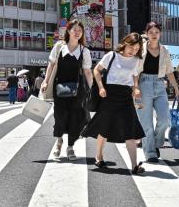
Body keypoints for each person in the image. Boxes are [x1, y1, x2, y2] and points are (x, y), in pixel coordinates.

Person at [83, 33, 146, 174]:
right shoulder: (111, 55)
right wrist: (100, 87)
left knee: (130, 131)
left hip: (125, 96)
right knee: (104, 129)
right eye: (132, 47)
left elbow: (135, 74)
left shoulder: (136, 60)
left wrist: (135, 87)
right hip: (109, 94)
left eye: (137, 49)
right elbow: (97, 71)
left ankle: (134, 165)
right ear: (125, 43)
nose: (133, 51)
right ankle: (99, 156)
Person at [40, 20, 93, 160]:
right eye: (74, 29)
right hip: (60, 88)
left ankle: (70, 147)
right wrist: (45, 82)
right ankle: (59, 141)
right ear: (68, 31)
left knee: (75, 117)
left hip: (77, 90)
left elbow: (88, 72)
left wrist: (92, 89)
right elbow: (51, 66)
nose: (77, 32)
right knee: (60, 116)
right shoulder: (59, 47)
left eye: (80, 30)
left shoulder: (84, 51)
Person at [137, 22, 179, 163]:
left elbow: (169, 71)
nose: (154, 35)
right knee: (146, 122)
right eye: (151, 32)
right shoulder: (141, 49)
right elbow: (135, 71)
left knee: (164, 119)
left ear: (160, 33)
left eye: (156, 32)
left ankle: (155, 143)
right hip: (144, 84)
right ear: (147, 34)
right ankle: (150, 153)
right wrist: (135, 87)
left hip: (160, 84)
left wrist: (175, 87)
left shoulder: (164, 50)